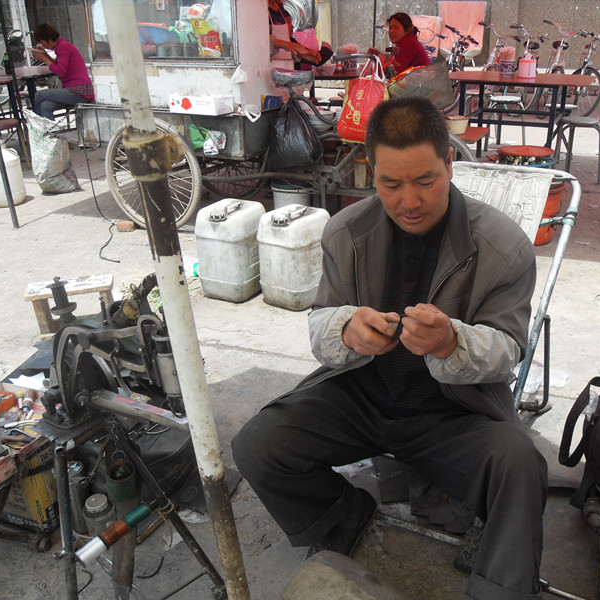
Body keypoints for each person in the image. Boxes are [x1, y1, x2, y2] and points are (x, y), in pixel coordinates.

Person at [232, 95, 547, 600]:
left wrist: (452, 342)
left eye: (425, 180)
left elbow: (509, 349)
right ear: (369, 170)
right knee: (258, 445)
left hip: (452, 413)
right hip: (361, 396)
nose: (409, 201)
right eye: (391, 184)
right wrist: (345, 331)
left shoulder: (503, 246)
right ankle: (344, 520)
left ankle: (500, 590)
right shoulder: (344, 231)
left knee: (522, 466)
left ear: (449, 163)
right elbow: (320, 323)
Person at [30, 24, 94, 121]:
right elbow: (58, 64)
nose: (44, 46)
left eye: (42, 43)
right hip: (75, 90)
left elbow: (61, 71)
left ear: (49, 39)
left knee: (39, 95)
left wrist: (43, 58)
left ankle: (39, 127)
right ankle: (50, 129)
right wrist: (44, 55)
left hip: (79, 91)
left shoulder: (63, 46)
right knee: (45, 106)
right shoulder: (62, 46)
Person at [268, 0, 332, 69]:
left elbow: (284, 47)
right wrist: (283, 44)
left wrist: (301, 55)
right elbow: (261, 46)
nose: (292, 26)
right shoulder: (261, 9)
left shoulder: (279, 7)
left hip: (284, 70)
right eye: (288, 22)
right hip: (267, 70)